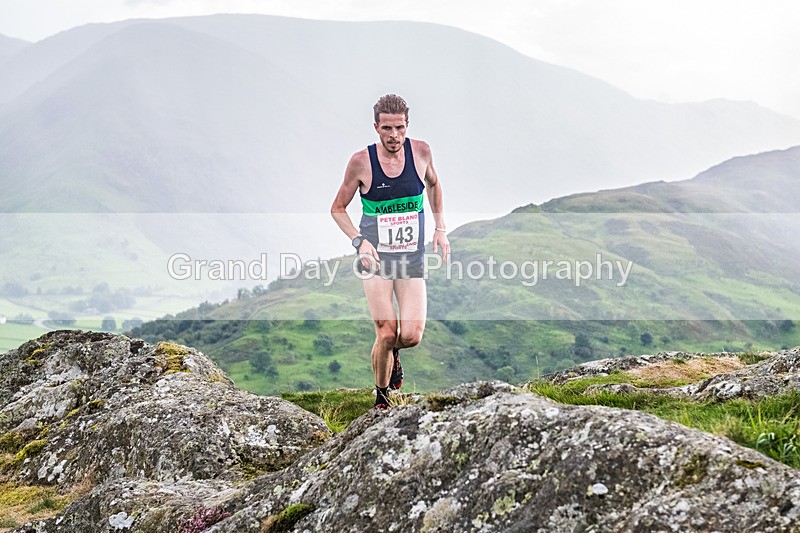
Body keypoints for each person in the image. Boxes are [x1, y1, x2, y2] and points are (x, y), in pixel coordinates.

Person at [331, 94, 450, 409]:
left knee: (410, 336)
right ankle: (382, 398)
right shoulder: (361, 162)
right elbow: (338, 209)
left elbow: (434, 184)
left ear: (407, 125)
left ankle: (392, 352)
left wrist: (440, 228)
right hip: (375, 260)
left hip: (411, 258)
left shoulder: (421, 152)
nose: (394, 135)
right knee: (386, 332)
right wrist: (359, 241)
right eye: (387, 128)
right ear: (376, 127)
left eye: (399, 128)